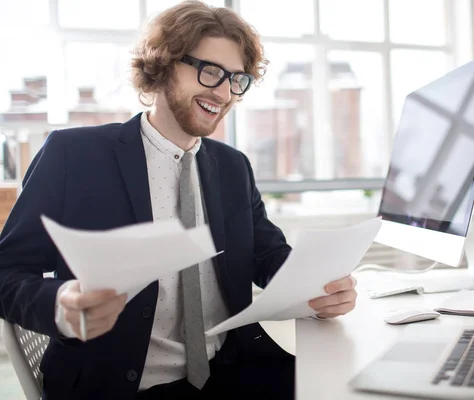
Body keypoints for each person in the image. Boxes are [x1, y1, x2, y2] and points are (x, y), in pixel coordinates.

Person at [0, 2, 358, 399]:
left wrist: (318, 287)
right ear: (163, 65)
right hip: (125, 384)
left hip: (232, 367)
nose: (223, 92)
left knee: (352, 385)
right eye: (210, 71)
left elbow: (265, 253)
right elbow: (7, 271)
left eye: (237, 79)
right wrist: (58, 302)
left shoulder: (232, 166)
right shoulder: (75, 156)